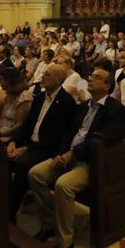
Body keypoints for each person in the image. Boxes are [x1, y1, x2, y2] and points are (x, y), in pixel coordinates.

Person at [28, 68, 125, 248]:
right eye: (90, 76)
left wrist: (72, 153)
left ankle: (66, 242)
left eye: (96, 77)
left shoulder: (115, 110)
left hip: (90, 162)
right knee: (35, 174)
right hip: (67, 155)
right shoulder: (82, 106)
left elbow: (102, 139)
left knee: (63, 185)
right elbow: (68, 133)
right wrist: (61, 153)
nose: (90, 79)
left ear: (107, 85)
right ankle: (49, 224)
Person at [9, 64, 77, 220]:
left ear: (59, 80)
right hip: (29, 143)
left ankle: (10, 211)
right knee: (0, 153)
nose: (42, 77)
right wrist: (14, 142)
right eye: (44, 74)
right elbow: (27, 125)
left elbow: (57, 137)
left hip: (46, 148)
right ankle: (5, 197)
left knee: (22, 163)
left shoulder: (66, 102)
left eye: (47, 75)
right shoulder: (40, 97)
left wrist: (25, 149)